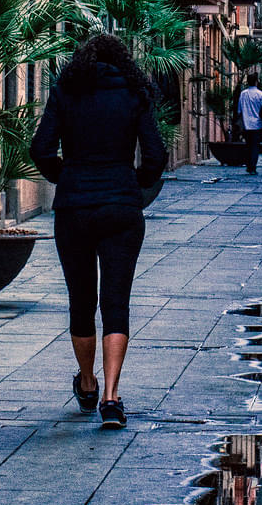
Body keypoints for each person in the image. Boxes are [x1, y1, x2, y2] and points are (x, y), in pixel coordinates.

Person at [32, 33, 168, 431]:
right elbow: (156, 155)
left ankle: (86, 383)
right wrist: (133, 184)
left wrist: (68, 177)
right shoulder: (135, 92)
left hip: (73, 208)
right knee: (116, 301)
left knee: (80, 299)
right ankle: (111, 397)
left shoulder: (66, 90)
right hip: (122, 208)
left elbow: (40, 149)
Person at [237, 74, 262, 174]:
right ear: (256, 81)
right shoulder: (261, 94)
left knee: (248, 145)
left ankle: (249, 166)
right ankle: (252, 167)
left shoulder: (243, 94)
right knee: (255, 146)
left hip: (246, 123)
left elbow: (239, 110)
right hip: (258, 124)